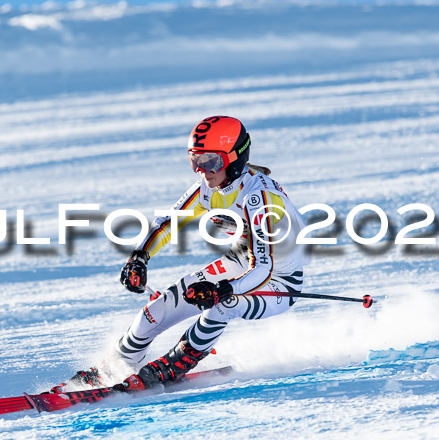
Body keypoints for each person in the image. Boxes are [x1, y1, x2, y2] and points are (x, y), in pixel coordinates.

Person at [67, 115, 310, 391]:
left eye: (212, 161)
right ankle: (114, 366)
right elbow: (168, 224)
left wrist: (223, 289)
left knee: (221, 306)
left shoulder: (260, 198)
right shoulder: (207, 188)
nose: (203, 170)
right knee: (159, 308)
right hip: (241, 263)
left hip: (279, 281)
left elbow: (264, 269)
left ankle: (177, 363)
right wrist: (139, 257)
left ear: (235, 157)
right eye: (196, 160)